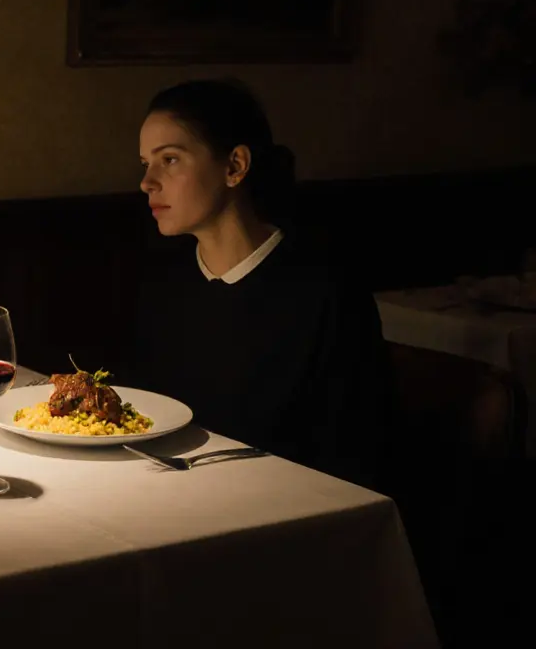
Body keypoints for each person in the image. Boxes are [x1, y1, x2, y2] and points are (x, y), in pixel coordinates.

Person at [127, 78, 392, 490]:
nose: (148, 182)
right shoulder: (165, 280)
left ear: (235, 166)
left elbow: (353, 453)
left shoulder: (324, 292)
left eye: (171, 160)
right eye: (146, 163)